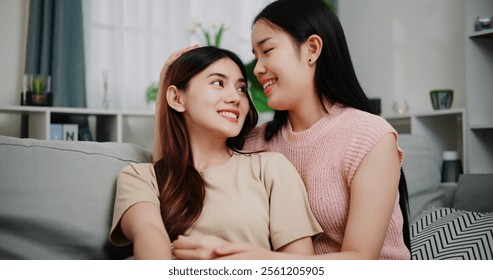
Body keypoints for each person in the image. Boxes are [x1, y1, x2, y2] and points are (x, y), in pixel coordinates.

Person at [159, 0, 411, 260]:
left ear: (312, 49)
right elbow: (174, 174)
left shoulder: (369, 136)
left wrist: (254, 260)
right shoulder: (254, 143)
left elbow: (360, 259)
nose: (256, 70)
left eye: (267, 51)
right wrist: (167, 90)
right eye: (256, 57)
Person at [109, 46, 322, 259]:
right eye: (218, 83)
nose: (235, 97)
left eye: (241, 88)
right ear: (176, 98)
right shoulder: (140, 178)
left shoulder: (271, 168)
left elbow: (301, 266)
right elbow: (150, 237)